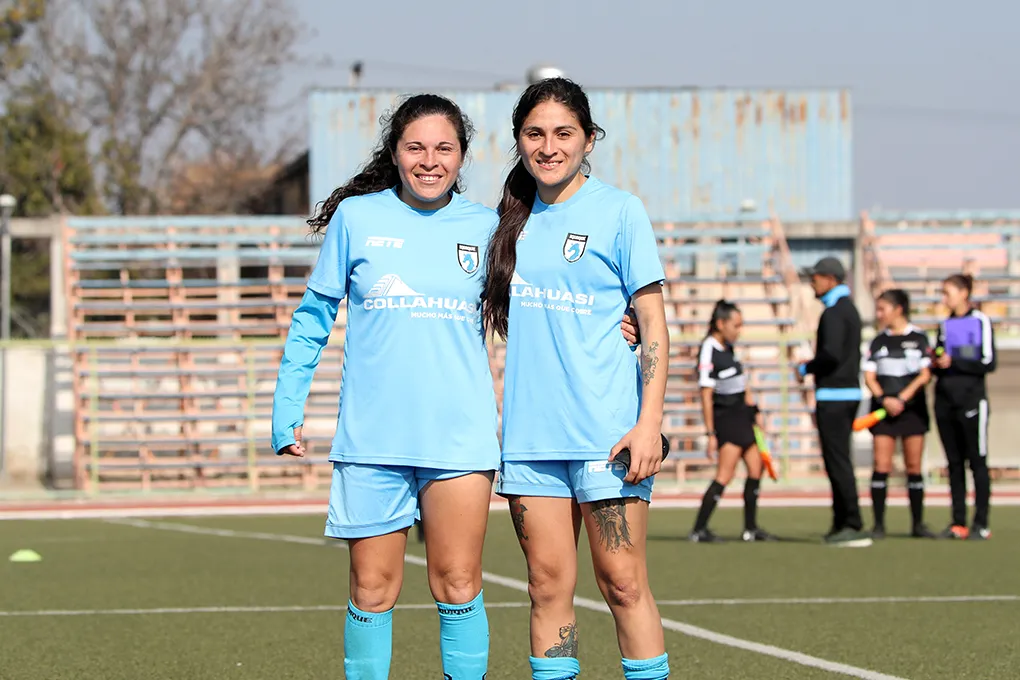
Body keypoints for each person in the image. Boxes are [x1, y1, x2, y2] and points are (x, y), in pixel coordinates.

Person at [270, 94, 501, 679]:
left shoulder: (487, 226)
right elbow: (312, 318)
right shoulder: (357, 218)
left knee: (458, 582)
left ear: (462, 156)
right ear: (394, 153)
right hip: (373, 440)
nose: (430, 160)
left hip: (459, 438)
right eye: (415, 147)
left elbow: (537, 313)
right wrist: (286, 407)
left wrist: (623, 323)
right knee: (371, 588)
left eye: (444, 148)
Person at [483, 77, 671, 680]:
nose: (549, 146)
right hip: (531, 439)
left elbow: (653, 324)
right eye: (534, 133)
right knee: (546, 587)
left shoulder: (621, 211)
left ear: (589, 139)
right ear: (519, 141)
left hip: (608, 435)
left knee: (623, 582)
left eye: (564, 133)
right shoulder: (503, 222)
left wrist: (649, 423)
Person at [796, 257, 872, 547]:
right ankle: (841, 522)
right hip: (844, 395)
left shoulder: (835, 312)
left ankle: (851, 523)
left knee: (838, 462)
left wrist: (806, 367)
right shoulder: (845, 308)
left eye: (815, 277)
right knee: (838, 461)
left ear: (830, 279)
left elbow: (831, 355)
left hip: (835, 396)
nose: (811, 283)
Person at [689, 300, 776, 543]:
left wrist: (755, 412)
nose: (739, 330)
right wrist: (710, 433)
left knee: (756, 469)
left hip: (743, 417)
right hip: (727, 420)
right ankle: (699, 529)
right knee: (725, 475)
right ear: (721, 324)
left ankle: (750, 529)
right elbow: (706, 394)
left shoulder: (729, 348)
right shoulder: (709, 349)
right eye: (736, 325)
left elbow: (742, 384)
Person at [861, 289, 936, 539]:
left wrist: (903, 398)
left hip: (912, 410)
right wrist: (885, 399)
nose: (879, 313)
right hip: (884, 411)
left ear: (898, 309)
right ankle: (878, 525)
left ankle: (918, 524)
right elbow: (869, 376)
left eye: (883, 308)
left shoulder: (919, 338)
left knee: (913, 466)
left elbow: (925, 375)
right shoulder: (877, 341)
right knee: (881, 465)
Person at [932, 273, 996, 540]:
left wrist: (955, 361)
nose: (944, 298)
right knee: (954, 463)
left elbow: (988, 362)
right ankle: (958, 522)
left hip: (971, 401)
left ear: (964, 293)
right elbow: (939, 357)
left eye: (947, 292)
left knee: (977, 462)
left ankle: (981, 523)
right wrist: (937, 361)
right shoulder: (945, 325)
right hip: (945, 402)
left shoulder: (980, 321)